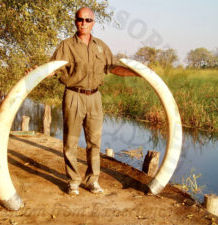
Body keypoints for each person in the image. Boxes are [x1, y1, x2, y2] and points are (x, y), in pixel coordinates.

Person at [30, 7, 138, 195]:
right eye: (80, 19)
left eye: (88, 20)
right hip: (73, 96)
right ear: (75, 21)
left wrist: (137, 73)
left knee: (94, 142)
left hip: (95, 97)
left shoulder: (101, 46)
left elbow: (113, 68)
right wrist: (37, 72)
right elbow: (53, 69)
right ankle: (73, 181)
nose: (84, 23)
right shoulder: (66, 46)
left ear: (93, 23)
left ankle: (92, 180)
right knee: (71, 141)